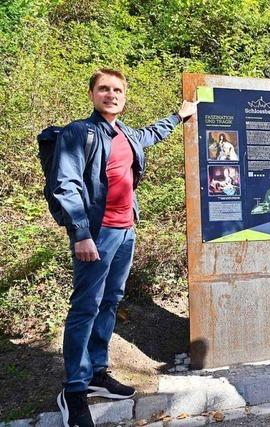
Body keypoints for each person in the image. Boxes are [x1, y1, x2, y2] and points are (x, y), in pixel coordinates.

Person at [51, 68, 197, 427]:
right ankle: (73, 389)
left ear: (124, 96)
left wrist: (179, 116)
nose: (111, 94)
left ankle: (98, 372)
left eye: (117, 90)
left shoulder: (125, 133)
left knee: (111, 301)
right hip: (96, 234)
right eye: (104, 89)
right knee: (85, 306)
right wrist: (81, 232)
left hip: (125, 230)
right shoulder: (78, 133)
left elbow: (149, 135)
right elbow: (65, 184)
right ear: (92, 94)